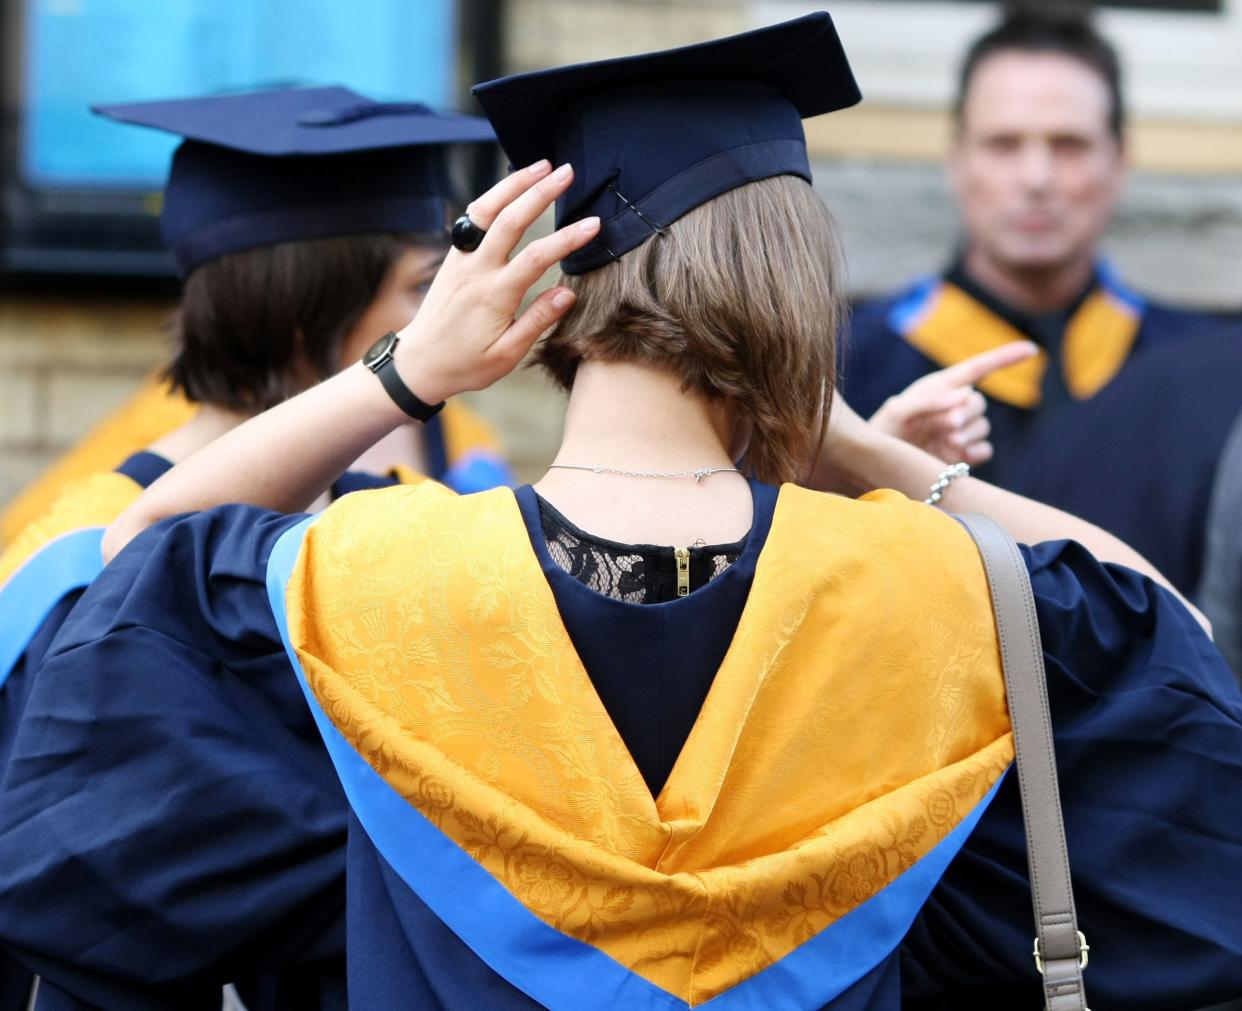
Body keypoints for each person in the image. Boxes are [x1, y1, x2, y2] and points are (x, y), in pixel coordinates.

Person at [3, 13, 1241, 1010]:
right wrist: (855, 445)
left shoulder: (357, 580)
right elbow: (1167, 628)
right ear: (798, 295)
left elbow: (130, 567)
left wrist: (405, 376)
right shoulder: (932, 593)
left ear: (542, 301)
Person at [0, 84, 503, 1011]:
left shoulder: (402, 519)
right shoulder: (78, 566)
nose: (439, 323)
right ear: (312, 310)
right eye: (418, 291)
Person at [840, 6, 1239, 579]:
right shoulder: (850, 368)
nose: (1036, 178)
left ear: (1118, 162)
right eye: (1004, 144)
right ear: (957, 161)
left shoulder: (1204, 376)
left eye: (1068, 145)